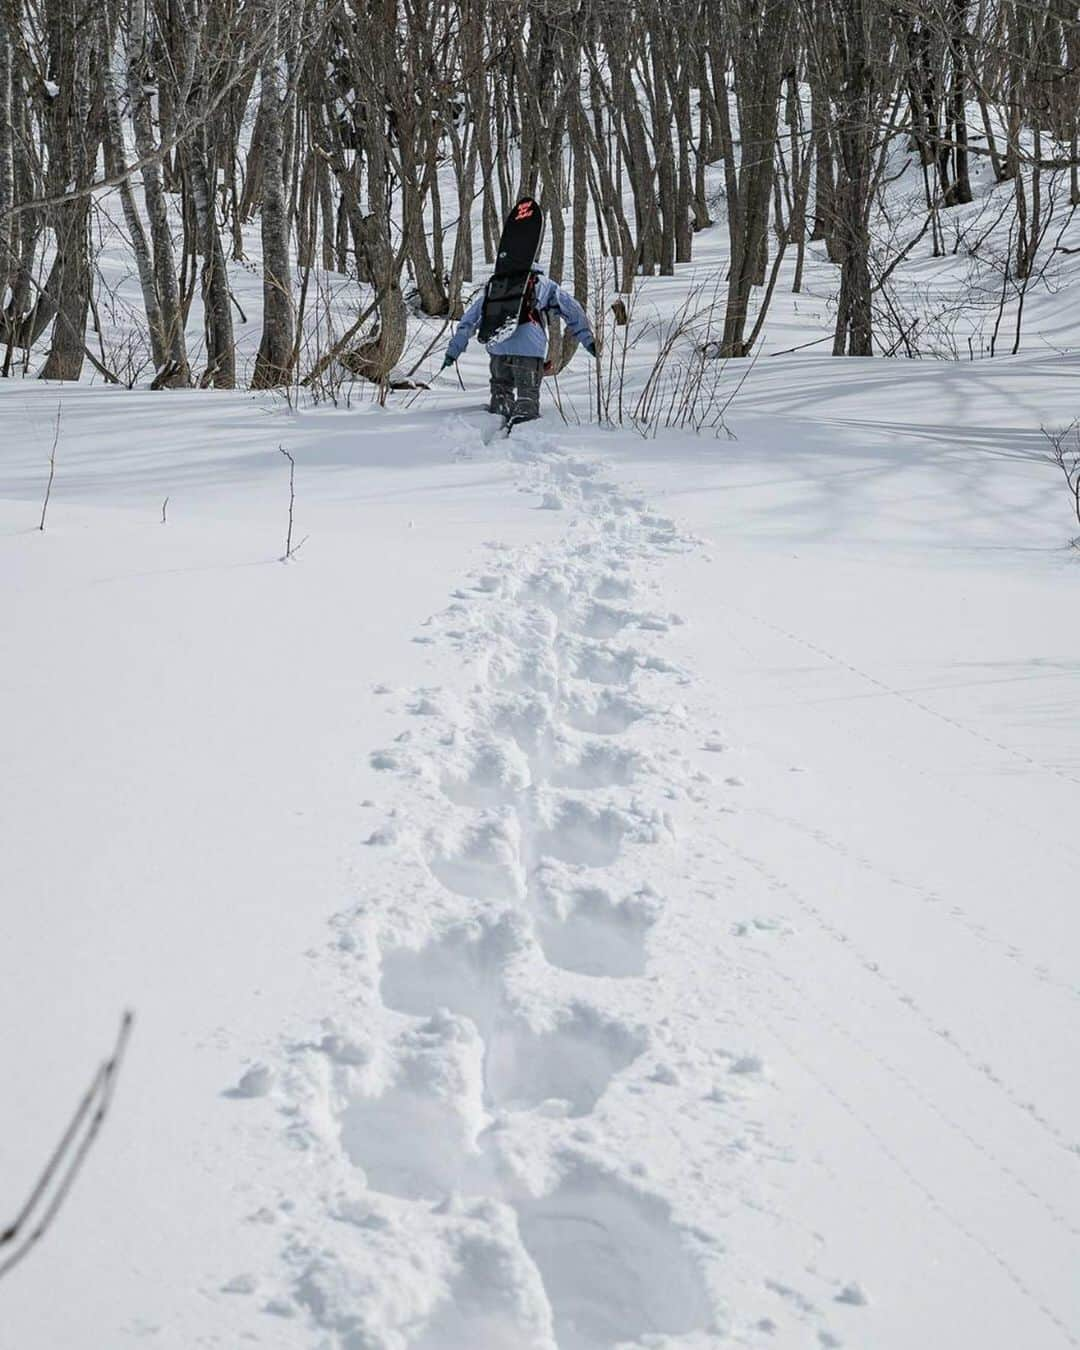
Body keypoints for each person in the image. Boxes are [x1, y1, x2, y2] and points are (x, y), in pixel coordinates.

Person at [440, 264, 597, 424]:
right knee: (527, 398)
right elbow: (572, 309)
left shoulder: (496, 285)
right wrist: (588, 339)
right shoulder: (542, 284)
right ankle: (521, 432)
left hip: (499, 347)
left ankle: (496, 426)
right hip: (529, 348)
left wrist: (453, 351)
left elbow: (469, 321)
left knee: (500, 393)